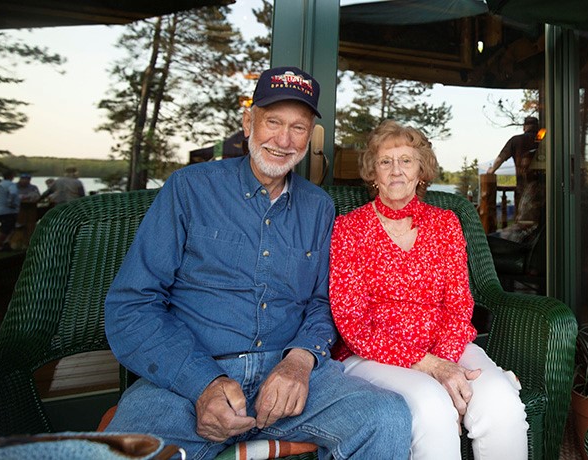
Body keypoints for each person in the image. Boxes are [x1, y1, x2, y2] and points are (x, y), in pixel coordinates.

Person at [104, 67, 412, 459]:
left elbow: (323, 302)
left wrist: (300, 361)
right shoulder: (190, 189)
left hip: (288, 376)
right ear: (248, 122)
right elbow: (132, 305)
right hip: (187, 376)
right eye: (273, 122)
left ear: (309, 137)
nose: (284, 140)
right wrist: (203, 382)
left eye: (298, 128)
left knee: (386, 415)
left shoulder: (318, 208)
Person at [329, 120, 528, 459]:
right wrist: (430, 367)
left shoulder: (446, 223)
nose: (396, 170)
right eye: (385, 161)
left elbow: (459, 303)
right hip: (374, 354)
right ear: (373, 174)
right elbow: (352, 322)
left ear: (421, 171)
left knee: (501, 403)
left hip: (444, 346)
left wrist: (444, 362)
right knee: (433, 410)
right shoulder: (349, 229)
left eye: (406, 160)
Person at [13, 173, 41, 249]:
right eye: (23, 179)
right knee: (18, 227)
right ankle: (14, 243)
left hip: (31, 209)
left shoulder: (33, 187)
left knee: (30, 226)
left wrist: (29, 197)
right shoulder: (14, 186)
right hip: (18, 209)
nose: (25, 181)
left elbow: (37, 196)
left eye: (27, 179)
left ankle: (26, 243)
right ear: (20, 179)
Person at [0, 170, 20, 251]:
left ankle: (5, 243)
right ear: (11, 176)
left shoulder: (0, 184)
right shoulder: (11, 184)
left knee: (7, 227)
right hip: (8, 210)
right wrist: (11, 203)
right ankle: (0, 245)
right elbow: (13, 193)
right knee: (6, 228)